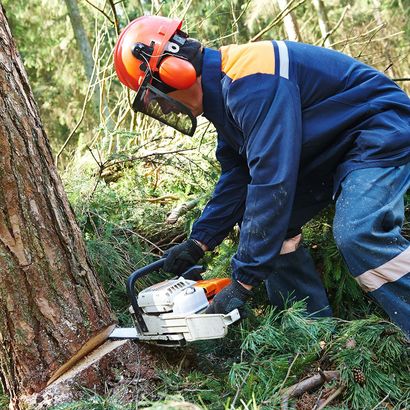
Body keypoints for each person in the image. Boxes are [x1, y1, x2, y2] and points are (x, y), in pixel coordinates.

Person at [113, 15, 410, 336]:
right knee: (276, 230)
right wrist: (199, 241)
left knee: (357, 233)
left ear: (176, 72)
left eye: (156, 94)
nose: (165, 108)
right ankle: (311, 333)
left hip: (377, 128)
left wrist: (243, 281)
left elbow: (271, 180)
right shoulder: (225, 92)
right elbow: (237, 178)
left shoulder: (251, 81)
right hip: (331, 145)